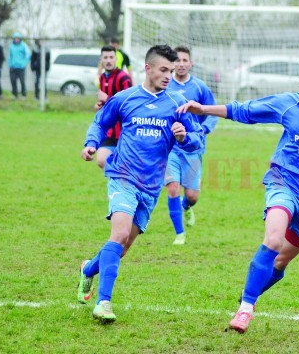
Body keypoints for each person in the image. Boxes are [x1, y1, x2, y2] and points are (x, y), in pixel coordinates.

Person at [176, 53, 299, 333]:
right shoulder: (288, 105)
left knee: (280, 261)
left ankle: (248, 296)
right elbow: (245, 110)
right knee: (273, 239)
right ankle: (245, 310)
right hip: (284, 181)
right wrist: (203, 110)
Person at [77, 45, 203, 324]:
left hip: (150, 185)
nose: (169, 75)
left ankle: (88, 269)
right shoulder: (125, 99)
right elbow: (100, 123)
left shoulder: (178, 103)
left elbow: (198, 139)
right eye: (163, 70)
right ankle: (103, 303)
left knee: (122, 246)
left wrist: (184, 138)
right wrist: (90, 144)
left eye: (171, 71)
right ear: (148, 69)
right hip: (122, 176)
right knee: (119, 234)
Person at [164, 45, 217, 245]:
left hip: (193, 148)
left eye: (184, 60)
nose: (181, 64)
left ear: (190, 63)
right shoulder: (167, 86)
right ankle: (180, 234)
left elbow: (211, 112)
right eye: (177, 60)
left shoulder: (200, 87)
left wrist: (203, 131)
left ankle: (186, 207)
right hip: (171, 149)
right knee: (172, 188)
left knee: (192, 195)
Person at [93, 45, 133, 169]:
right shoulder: (102, 77)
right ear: (101, 60)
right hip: (109, 131)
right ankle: (120, 178)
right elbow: (108, 105)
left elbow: (130, 104)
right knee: (101, 160)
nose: (109, 60)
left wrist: (107, 99)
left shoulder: (124, 78)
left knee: (125, 165)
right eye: (105, 57)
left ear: (116, 59)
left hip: (124, 132)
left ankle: (123, 180)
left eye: (111, 57)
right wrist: (101, 106)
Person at [8, 32, 31, 99]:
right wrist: (10, 64)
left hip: (21, 67)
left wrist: (24, 63)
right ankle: (15, 95)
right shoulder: (11, 46)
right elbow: (10, 56)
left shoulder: (24, 45)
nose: (16, 40)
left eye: (18, 38)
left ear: (20, 39)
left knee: (22, 81)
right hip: (13, 67)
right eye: (15, 38)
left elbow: (28, 55)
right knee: (13, 81)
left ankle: (23, 95)